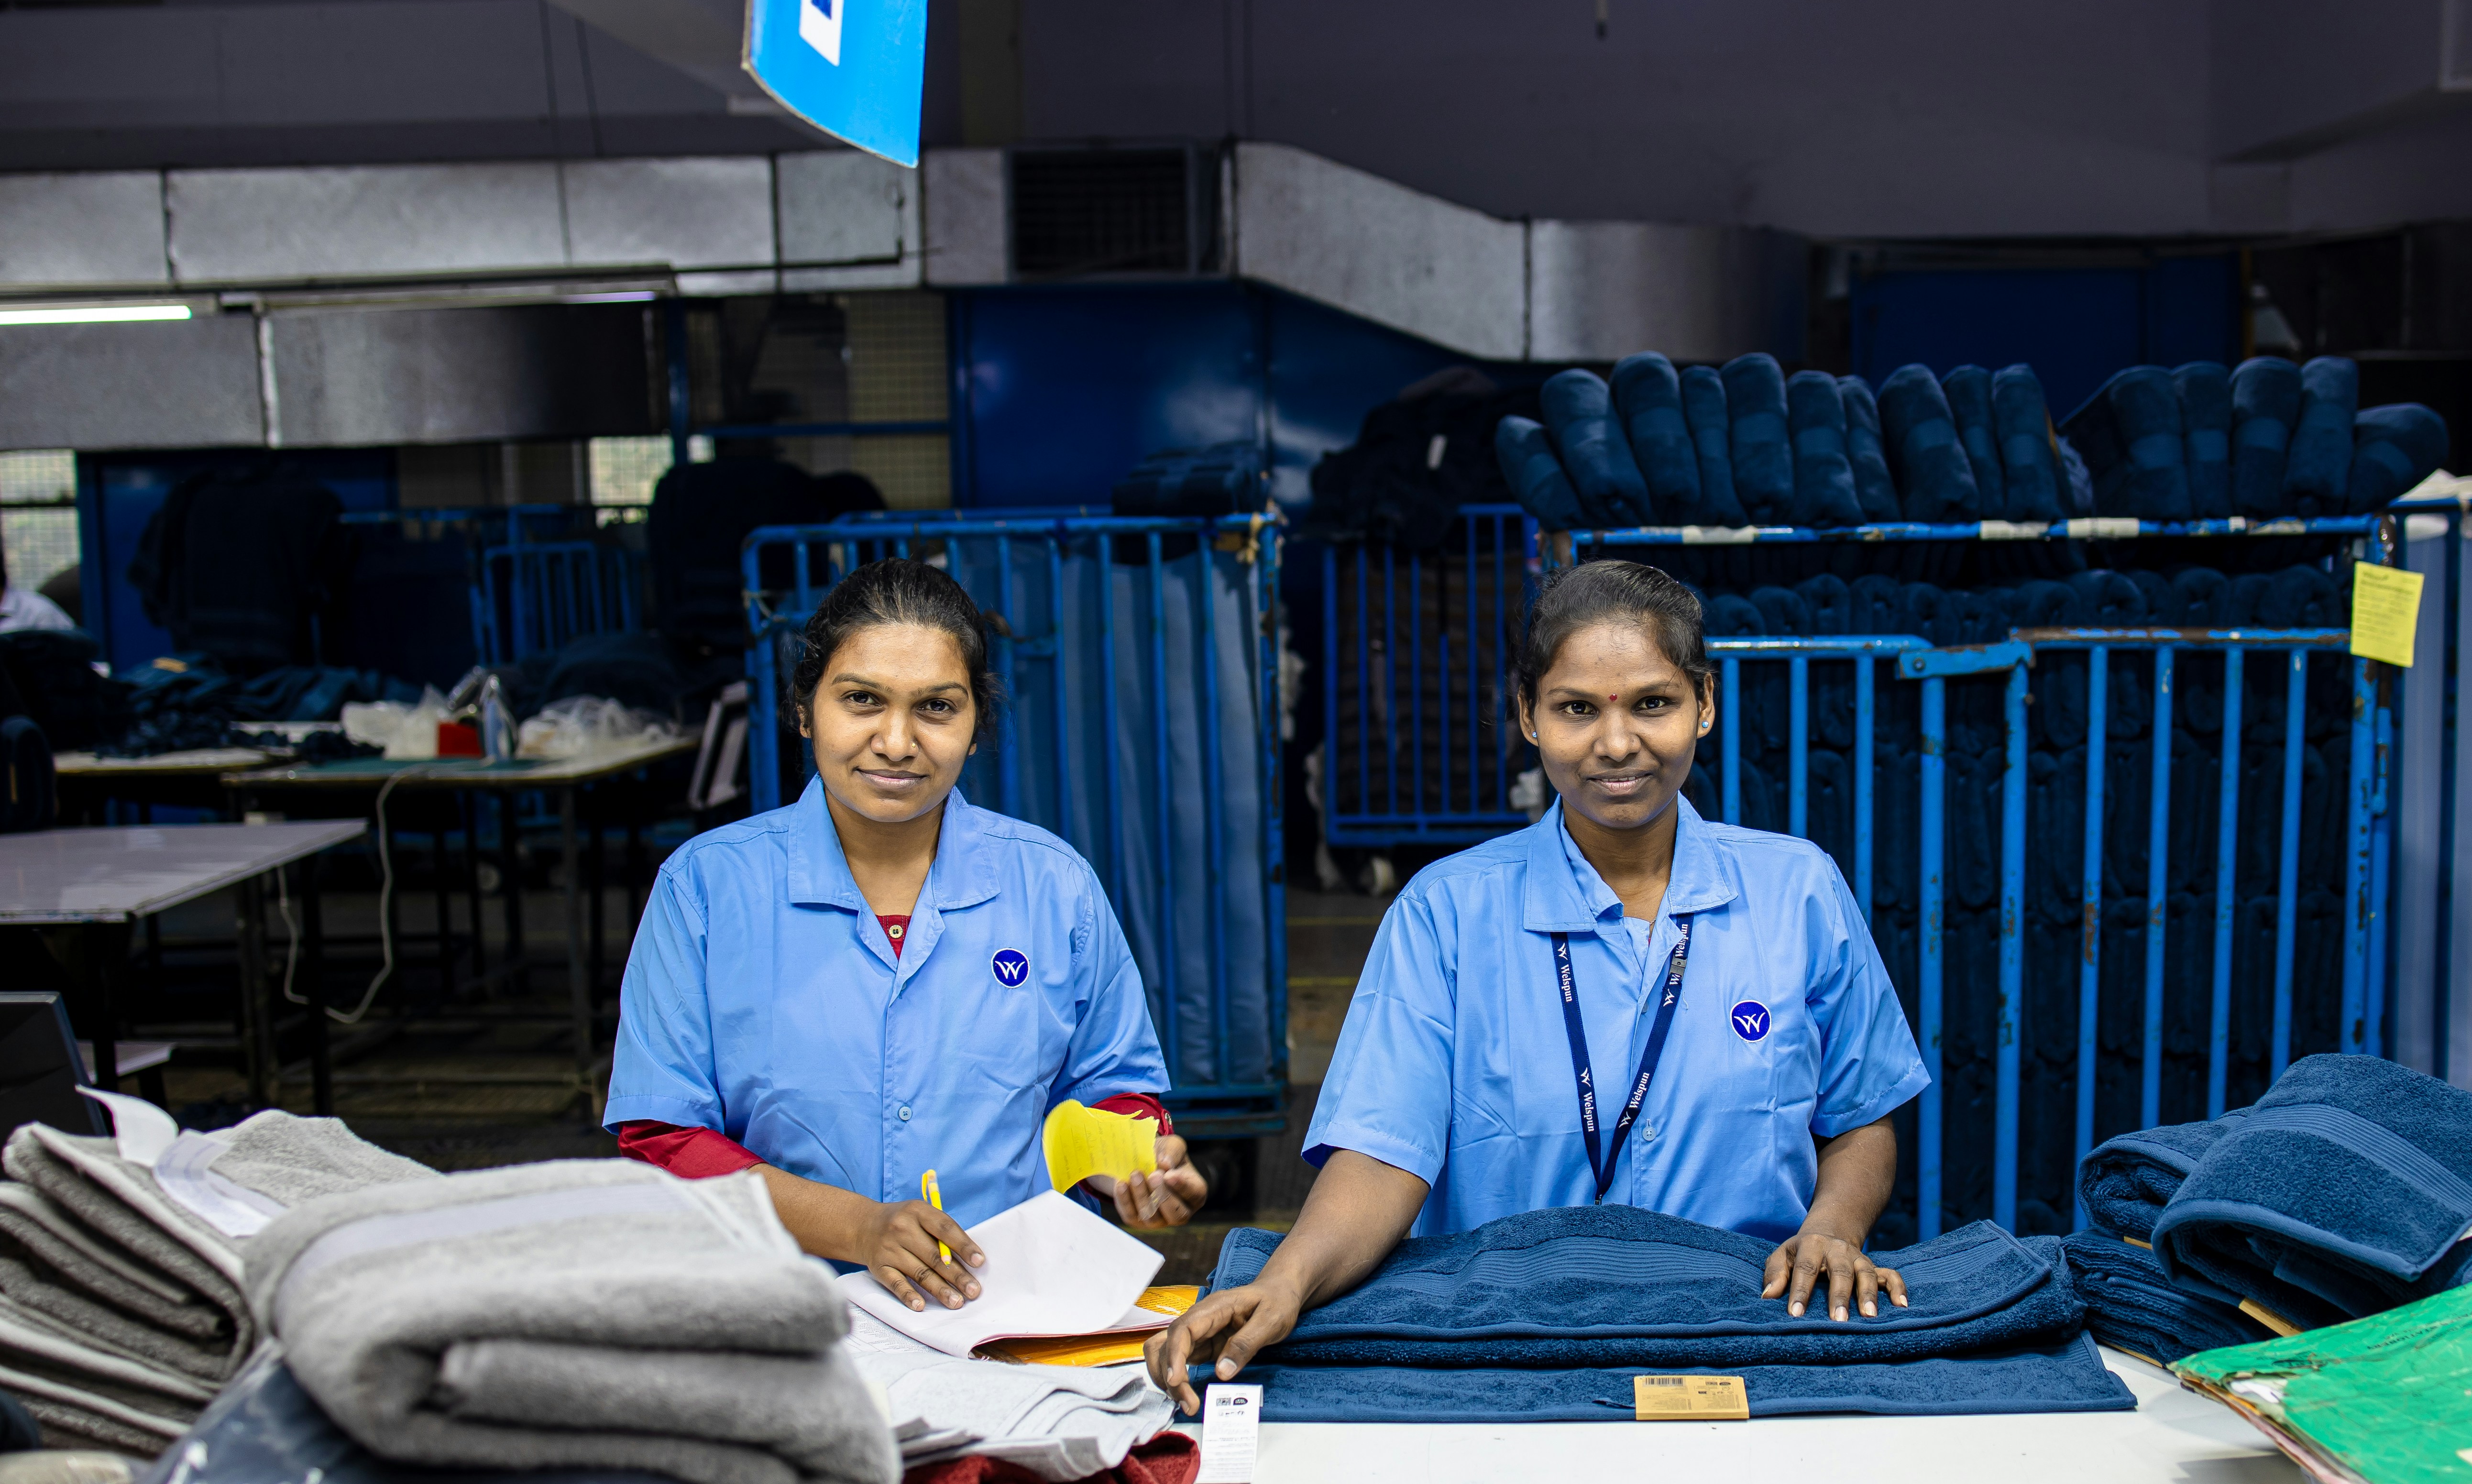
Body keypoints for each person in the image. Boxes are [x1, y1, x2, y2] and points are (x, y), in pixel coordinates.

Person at [1151, 559, 1929, 1410]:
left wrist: (1831, 1231)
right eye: (1577, 709)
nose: (1617, 743)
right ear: (1528, 715)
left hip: (1745, 1335)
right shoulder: (1446, 913)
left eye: (1653, 703)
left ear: (1704, 703)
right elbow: (1382, 1152)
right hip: (1507, 1347)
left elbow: (1862, 1121)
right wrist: (1289, 1280)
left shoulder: (1798, 890)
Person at [605, 557, 1206, 1310]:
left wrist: (1137, 1165)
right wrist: (855, 1228)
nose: (896, 741)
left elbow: (1108, 1091)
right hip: (781, 1311)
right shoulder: (704, 890)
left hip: (1012, 1307)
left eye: (936, 708)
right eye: (861, 700)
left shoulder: (1053, 887)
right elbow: (664, 1136)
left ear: (976, 727)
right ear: (804, 710)